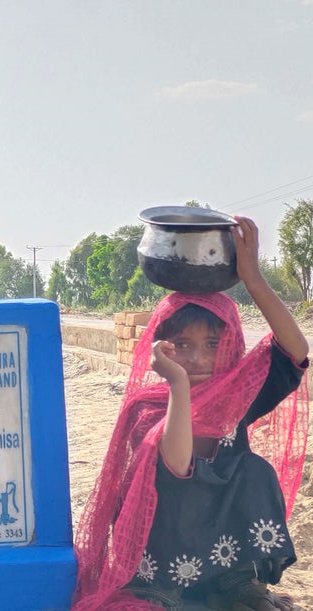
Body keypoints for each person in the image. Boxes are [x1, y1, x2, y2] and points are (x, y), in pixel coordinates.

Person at [73, 217, 309, 611]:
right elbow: (178, 463)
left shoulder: (236, 394)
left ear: (231, 344)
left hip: (220, 550)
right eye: (182, 344)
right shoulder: (148, 406)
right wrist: (179, 387)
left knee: (253, 470)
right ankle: (161, 591)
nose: (197, 358)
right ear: (160, 348)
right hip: (163, 559)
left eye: (213, 344)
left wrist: (252, 279)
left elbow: (296, 351)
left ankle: (239, 583)